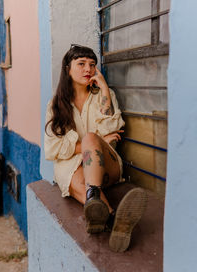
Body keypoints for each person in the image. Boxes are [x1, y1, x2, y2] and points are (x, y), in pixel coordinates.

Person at [45, 45, 147, 252]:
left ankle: (95, 200)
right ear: (67, 69)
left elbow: (113, 129)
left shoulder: (103, 94)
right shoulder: (56, 104)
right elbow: (53, 149)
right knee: (79, 176)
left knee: (91, 138)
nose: (88, 69)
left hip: (105, 167)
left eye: (92, 65)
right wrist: (96, 143)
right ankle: (111, 219)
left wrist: (105, 90)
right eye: (81, 64)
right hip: (73, 168)